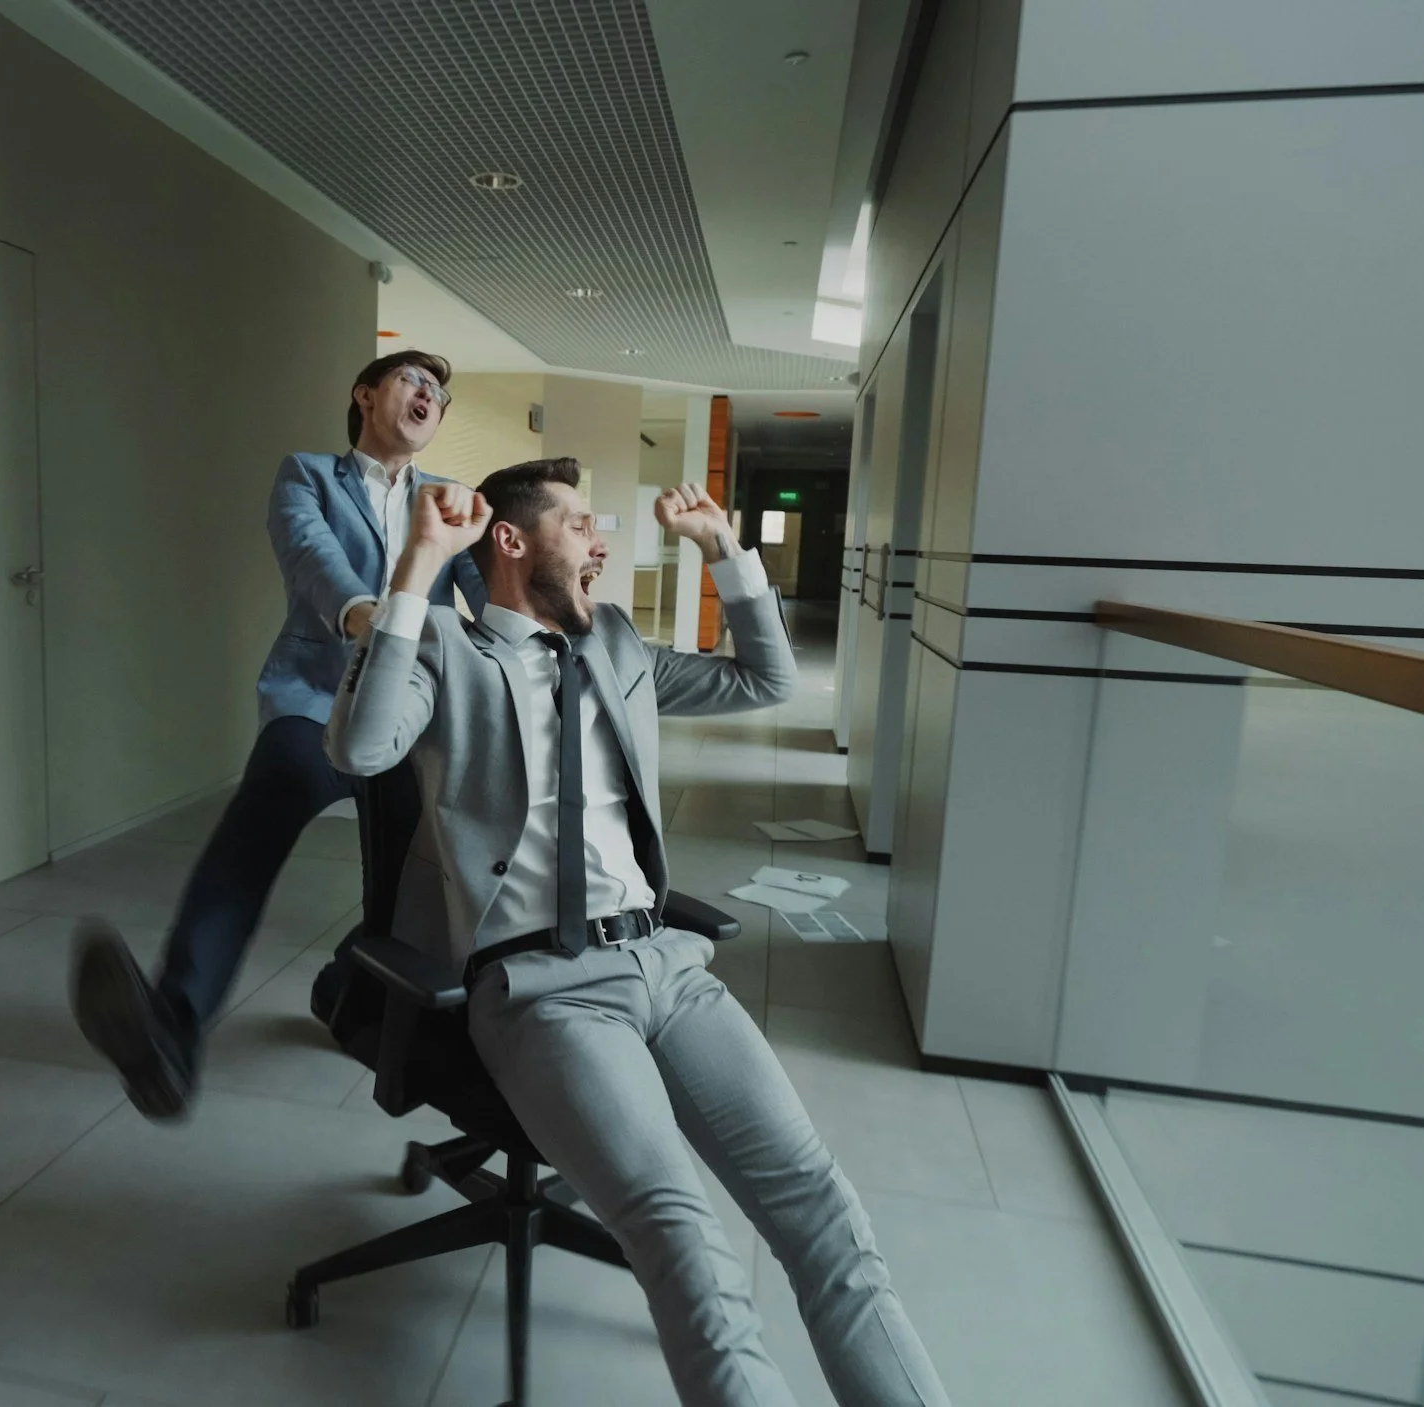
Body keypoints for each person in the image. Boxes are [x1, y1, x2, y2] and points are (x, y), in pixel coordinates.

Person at [324, 459, 949, 1407]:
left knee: (825, 1210)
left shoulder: (615, 642)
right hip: (543, 989)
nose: (601, 543)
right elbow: (361, 746)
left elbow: (766, 678)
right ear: (510, 541)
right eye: (580, 524)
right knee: (685, 1239)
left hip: (667, 964)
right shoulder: (446, 646)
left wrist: (723, 549)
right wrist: (414, 566)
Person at [68, 350, 488, 1120]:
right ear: (366, 394)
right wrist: (364, 615)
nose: (430, 394)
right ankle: (170, 1029)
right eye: (413, 380)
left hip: (412, 713)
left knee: (420, 878)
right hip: (318, 696)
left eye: (439, 391)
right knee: (258, 822)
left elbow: (484, 600)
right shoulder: (308, 475)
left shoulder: (450, 498)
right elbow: (308, 553)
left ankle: (347, 991)